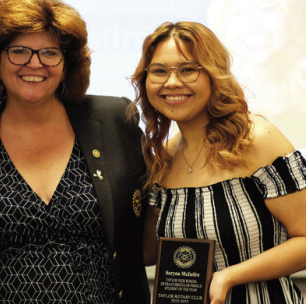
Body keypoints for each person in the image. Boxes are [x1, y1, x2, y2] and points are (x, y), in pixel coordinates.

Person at [0, 0, 149, 303]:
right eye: (19, 51)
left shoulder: (116, 119)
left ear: (67, 65)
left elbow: (150, 213)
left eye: (50, 52)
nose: (35, 64)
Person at [131, 21, 306, 303]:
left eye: (188, 69)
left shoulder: (256, 139)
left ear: (214, 76)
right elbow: (150, 253)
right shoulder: (162, 159)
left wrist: (229, 276)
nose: (172, 82)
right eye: (159, 71)